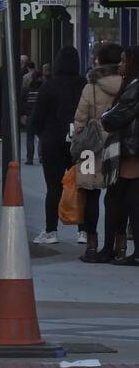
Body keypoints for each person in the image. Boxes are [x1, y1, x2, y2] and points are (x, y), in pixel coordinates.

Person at [71, 42, 125, 262]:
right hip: (119, 146)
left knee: (89, 194)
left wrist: (76, 141)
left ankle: (91, 244)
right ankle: (119, 246)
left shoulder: (90, 86)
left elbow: (80, 121)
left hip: (89, 149)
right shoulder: (127, 84)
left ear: (100, 61)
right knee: (118, 196)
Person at [28, 47, 86, 246]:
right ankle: (84, 230)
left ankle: (51, 230)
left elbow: (37, 118)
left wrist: (40, 134)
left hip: (52, 142)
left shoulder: (49, 85)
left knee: (53, 188)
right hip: (80, 143)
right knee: (82, 186)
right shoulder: (83, 85)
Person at [99, 45, 139, 265]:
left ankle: (110, 249)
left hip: (130, 151)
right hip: (128, 150)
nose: (120, 65)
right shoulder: (130, 85)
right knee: (121, 200)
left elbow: (115, 117)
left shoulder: (134, 87)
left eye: (124, 61)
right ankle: (112, 248)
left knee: (119, 200)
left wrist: (105, 115)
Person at [21, 65, 44, 165]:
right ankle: (41, 156)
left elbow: (22, 103)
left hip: (30, 116)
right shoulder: (44, 89)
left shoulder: (26, 89)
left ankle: (30, 158)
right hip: (41, 116)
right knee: (41, 137)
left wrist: (23, 114)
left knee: (30, 137)